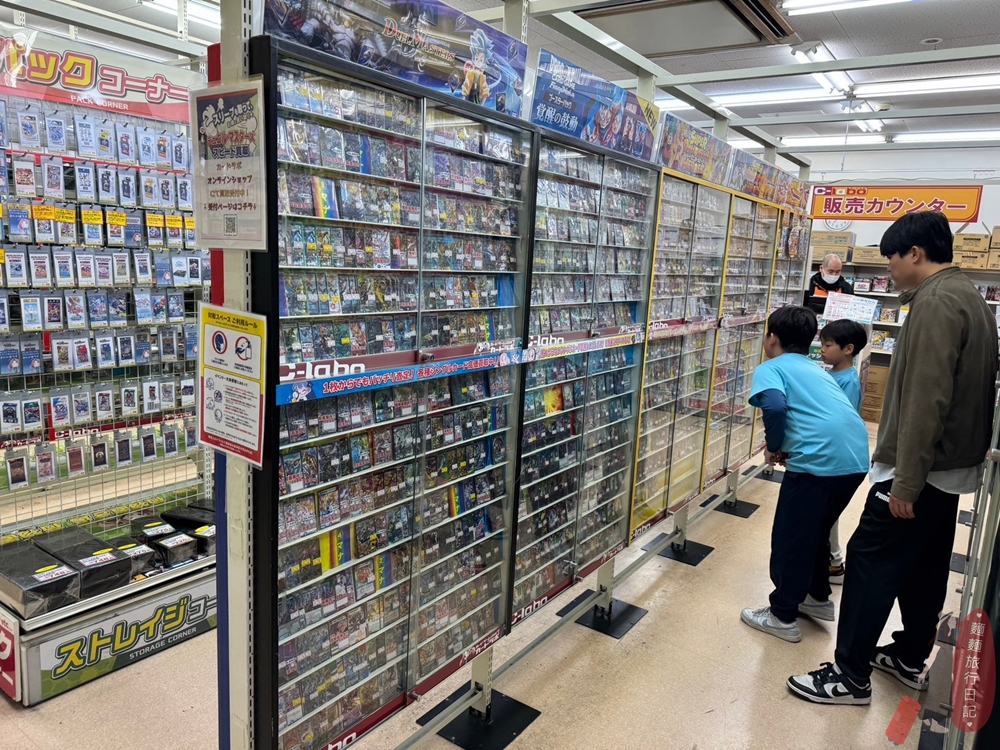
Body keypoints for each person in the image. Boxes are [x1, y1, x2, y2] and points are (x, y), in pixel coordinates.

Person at [788, 211, 999, 706]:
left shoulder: (935, 303)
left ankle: (849, 675)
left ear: (915, 254)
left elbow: (927, 398)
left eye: (892, 259)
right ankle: (907, 655)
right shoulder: (969, 297)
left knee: (869, 561)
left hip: (919, 470)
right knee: (925, 565)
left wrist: (905, 481)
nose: (890, 268)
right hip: (948, 469)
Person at [741, 306, 870, 644]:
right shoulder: (815, 369)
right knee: (816, 531)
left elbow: (774, 406)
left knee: (792, 537)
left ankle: (782, 615)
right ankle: (815, 596)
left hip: (818, 462)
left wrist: (774, 445)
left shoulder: (771, 368)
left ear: (771, 338)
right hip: (855, 460)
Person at [819, 319, 869, 584]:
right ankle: (833, 560)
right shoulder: (832, 374)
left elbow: (840, 421)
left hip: (836, 458)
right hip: (831, 455)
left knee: (828, 516)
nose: (822, 349)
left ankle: (835, 563)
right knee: (826, 516)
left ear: (848, 349)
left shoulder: (848, 381)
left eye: (828, 345)